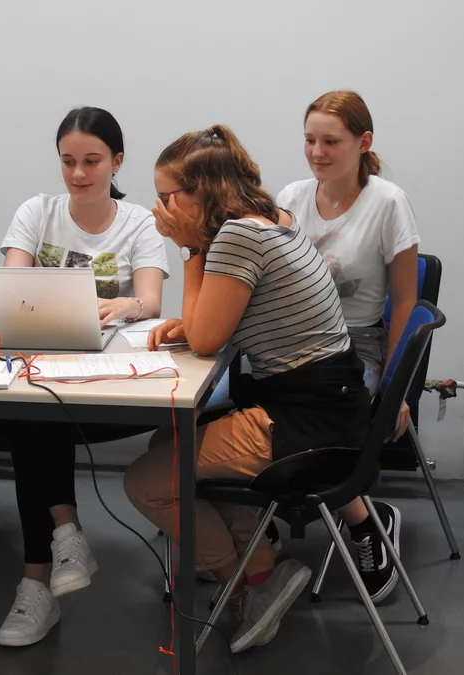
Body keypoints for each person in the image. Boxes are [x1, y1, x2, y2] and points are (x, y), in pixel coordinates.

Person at [123, 124, 371, 653]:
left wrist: (190, 249)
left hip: (308, 424)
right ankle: (262, 567)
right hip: (334, 406)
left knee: (147, 482)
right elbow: (215, 322)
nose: (160, 209)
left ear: (202, 193)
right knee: (168, 444)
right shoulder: (271, 220)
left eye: (167, 196)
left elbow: (206, 340)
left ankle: (247, 580)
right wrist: (195, 318)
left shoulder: (237, 237)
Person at [0, 107, 169, 647]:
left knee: (33, 421)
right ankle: (58, 545)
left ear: (117, 162)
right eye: (68, 161)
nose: (78, 173)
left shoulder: (138, 222)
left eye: (92, 161)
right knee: (31, 413)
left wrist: (126, 306)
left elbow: (152, 300)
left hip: (104, 379)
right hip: (42, 367)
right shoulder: (37, 211)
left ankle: (44, 570)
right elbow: (12, 288)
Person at [276, 90, 419, 604]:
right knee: (231, 404)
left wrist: (398, 389)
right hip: (293, 339)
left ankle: (364, 522)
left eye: (330, 141)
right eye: (309, 140)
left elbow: (405, 301)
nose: (317, 152)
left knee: (319, 414)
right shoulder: (290, 198)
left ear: (364, 142)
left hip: (357, 342)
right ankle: (249, 528)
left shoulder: (388, 202)